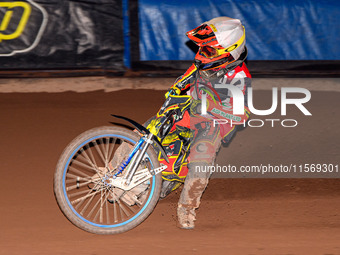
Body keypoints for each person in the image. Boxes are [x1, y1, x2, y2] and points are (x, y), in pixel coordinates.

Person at [149, 16, 252, 229]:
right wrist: (174, 94)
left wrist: (209, 108)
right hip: (188, 113)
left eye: (208, 51)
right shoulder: (202, 64)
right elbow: (180, 83)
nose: (201, 55)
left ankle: (187, 208)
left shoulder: (239, 78)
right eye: (202, 49)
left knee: (201, 155)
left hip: (212, 125)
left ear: (228, 52)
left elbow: (241, 115)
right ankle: (113, 169)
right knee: (149, 128)